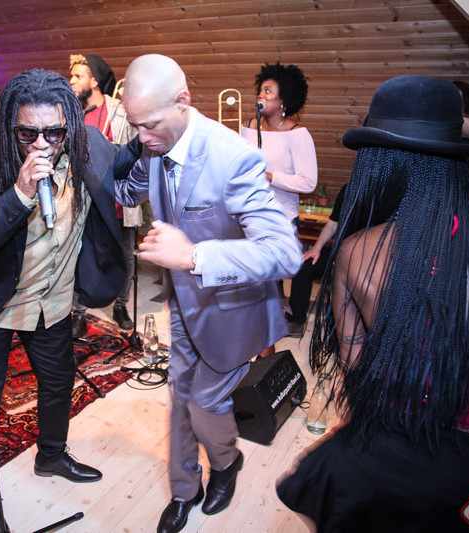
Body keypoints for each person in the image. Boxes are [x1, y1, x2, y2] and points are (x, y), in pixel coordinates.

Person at [276, 75, 469, 532]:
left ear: (375, 163)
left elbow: (360, 386)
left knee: (316, 482)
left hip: (380, 469)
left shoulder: (355, 254)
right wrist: (454, 123)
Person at [0, 69, 140, 533]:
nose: (42, 144)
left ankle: (50, 455)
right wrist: (20, 193)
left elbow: (128, 156)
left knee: (58, 381)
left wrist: (159, 123)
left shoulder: (89, 147)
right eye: (27, 133)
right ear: (9, 125)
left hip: (51, 301)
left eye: (54, 132)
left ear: (69, 124)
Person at [115, 54, 302, 533]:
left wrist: (194, 255)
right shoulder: (153, 145)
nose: (143, 136)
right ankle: (184, 491)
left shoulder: (232, 156)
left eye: (149, 124)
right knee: (179, 396)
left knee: (203, 402)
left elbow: (285, 253)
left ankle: (226, 462)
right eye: (136, 125)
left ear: (183, 101)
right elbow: (128, 190)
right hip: (183, 304)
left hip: (232, 309)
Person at [69, 53, 141, 332]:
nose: (72, 80)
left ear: (95, 81)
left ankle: (120, 305)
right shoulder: (72, 115)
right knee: (79, 257)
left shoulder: (120, 111)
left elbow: (136, 152)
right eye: (72, 75)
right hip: (82, 201)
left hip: (119, 200)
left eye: (78, 76)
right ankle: (79, 312)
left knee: (125, 256)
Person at [240, 62, 317, 225]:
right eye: (260, 91)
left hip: (282, 220)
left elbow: (308, 183)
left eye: (268, 91)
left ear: (283, 99)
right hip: (249, 216)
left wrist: (269, 177)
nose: (261, 95)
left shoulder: (297, 134)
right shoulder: (247, 127)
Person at [285, 184, 346, 337]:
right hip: (339, 249)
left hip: (366, 255)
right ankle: (296, 321)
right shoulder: (348, 189)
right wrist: (316, 248)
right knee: (304, 266)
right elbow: (333, 224)